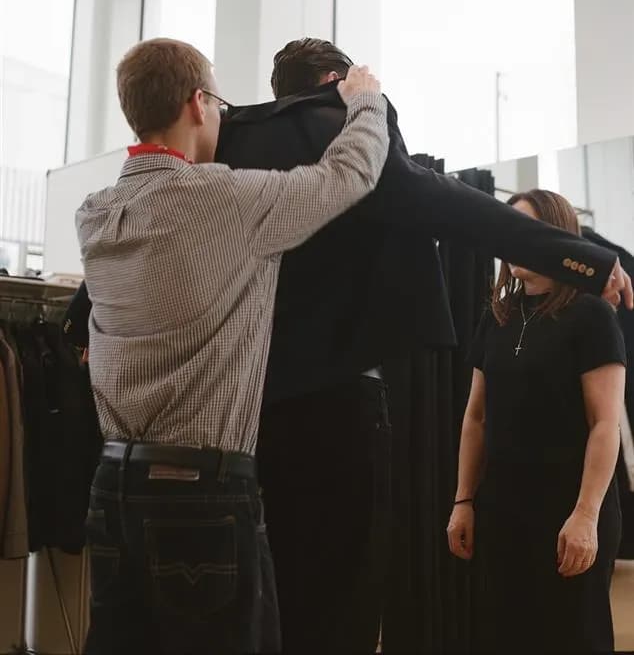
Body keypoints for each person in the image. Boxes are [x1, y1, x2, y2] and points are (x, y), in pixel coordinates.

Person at [66, 39, 633, 654]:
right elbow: (441, 204)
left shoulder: (161, 177)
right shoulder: (332, 124)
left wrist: (82, 319)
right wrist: (581, 260)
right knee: (334, 609)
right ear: (336, 81)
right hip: (331, 419)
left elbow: (116, 276)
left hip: (211, 439)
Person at [76, 37, 389, 655]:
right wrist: (366, 102)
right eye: (217, 101)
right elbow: (348, 176)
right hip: (203, 495)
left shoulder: (97, 214)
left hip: (111, 487)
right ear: (197, 103)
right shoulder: (227, 200)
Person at [447, 189, 626, 653]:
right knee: (503, 634)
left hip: (570, 509)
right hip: (502, 509)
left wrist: (586, 515)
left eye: (524, 230)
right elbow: (477, 417)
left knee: (572, 635)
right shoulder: (498, 316)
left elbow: (604, 424)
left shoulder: (591, 316)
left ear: (554, 238)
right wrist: (464, 499)